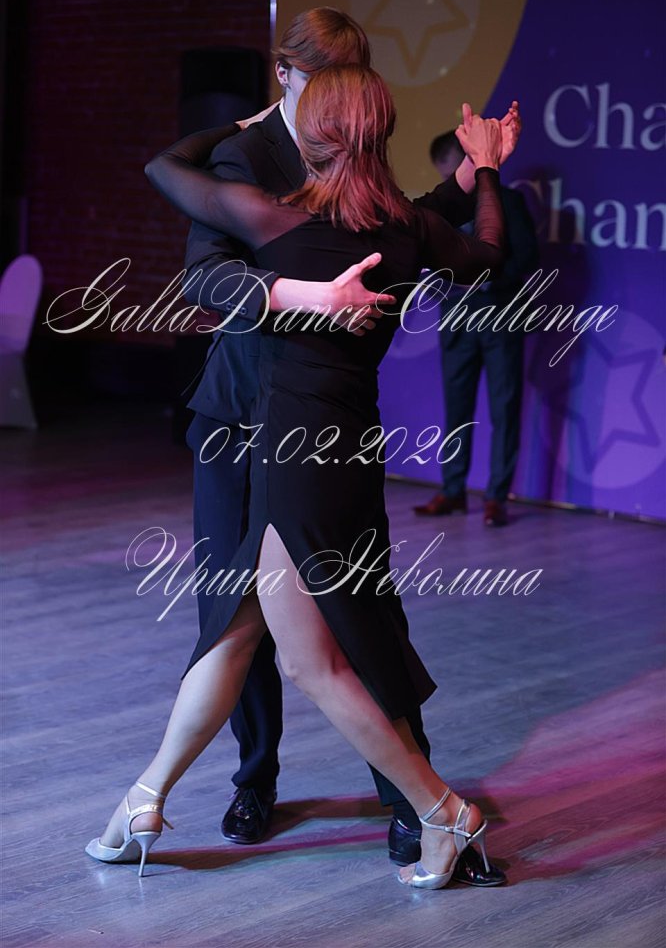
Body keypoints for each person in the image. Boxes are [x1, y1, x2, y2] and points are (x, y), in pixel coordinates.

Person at [86, 64, 507, 891]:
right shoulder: (409, 229)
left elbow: (166, 168)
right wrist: (486, 167)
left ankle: (442, 809)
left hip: (291, 454)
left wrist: (243, 125)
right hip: (343, 449)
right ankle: (143, 801)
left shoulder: (275, 220)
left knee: (311, 663)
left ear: (314, 133)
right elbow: (489, 253)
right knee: (237, 630)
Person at [415, 130, 539, 526]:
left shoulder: (509, 201)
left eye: (452, 169)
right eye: (443, 173)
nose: (450, 179)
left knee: (505, 408)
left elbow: (528, 258)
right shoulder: (440, 207)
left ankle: (496, 497)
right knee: (457, 410)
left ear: (467, 159)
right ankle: (453, 490)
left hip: (499, 317)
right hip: (455, 321)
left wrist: (487, 280)